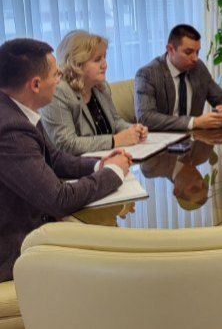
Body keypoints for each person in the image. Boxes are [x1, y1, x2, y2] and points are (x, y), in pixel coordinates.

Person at [0, 38, 132, 282]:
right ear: (35, 84)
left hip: (37, 227)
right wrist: (113, 173)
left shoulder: (18, 109)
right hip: (15, 253)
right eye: (55, 75)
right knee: (112, 264)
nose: (59, 81)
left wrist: (99, 164)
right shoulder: (10, 129)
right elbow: (58, 200)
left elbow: (56, 158)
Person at [40, 30, 148, 155]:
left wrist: (133, 129)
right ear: (77, 64)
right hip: (78, 164)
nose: (105, 65)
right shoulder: (58, 92)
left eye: (104, 57)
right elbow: (66, 144)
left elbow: (115, 122)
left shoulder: (101, 87)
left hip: (108, 157)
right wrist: (115, 140)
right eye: (97, 60)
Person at [135, 24, 222, 131]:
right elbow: (145, 118)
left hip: (194, 137)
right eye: (188, 52)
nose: (195, 58)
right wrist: (194, 122)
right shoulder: (147, 74)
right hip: (163, 138)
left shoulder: (198, 68)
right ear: (170, 49)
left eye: (197, 52)